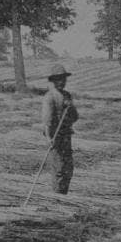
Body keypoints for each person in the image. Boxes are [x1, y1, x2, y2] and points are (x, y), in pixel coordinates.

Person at [39, 64, 79, 194]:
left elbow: (75, 117)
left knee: (68, 168)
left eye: (63, 79)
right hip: (55, 138)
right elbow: (47, 121)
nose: (61, 82)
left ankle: (64, 194)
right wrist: (49, 138)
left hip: (66, 137)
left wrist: (70, 108)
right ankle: (57, 197)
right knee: (59, 168)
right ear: (53, 81)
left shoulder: (67, 95)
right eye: (58, 79)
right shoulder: (49, 97)